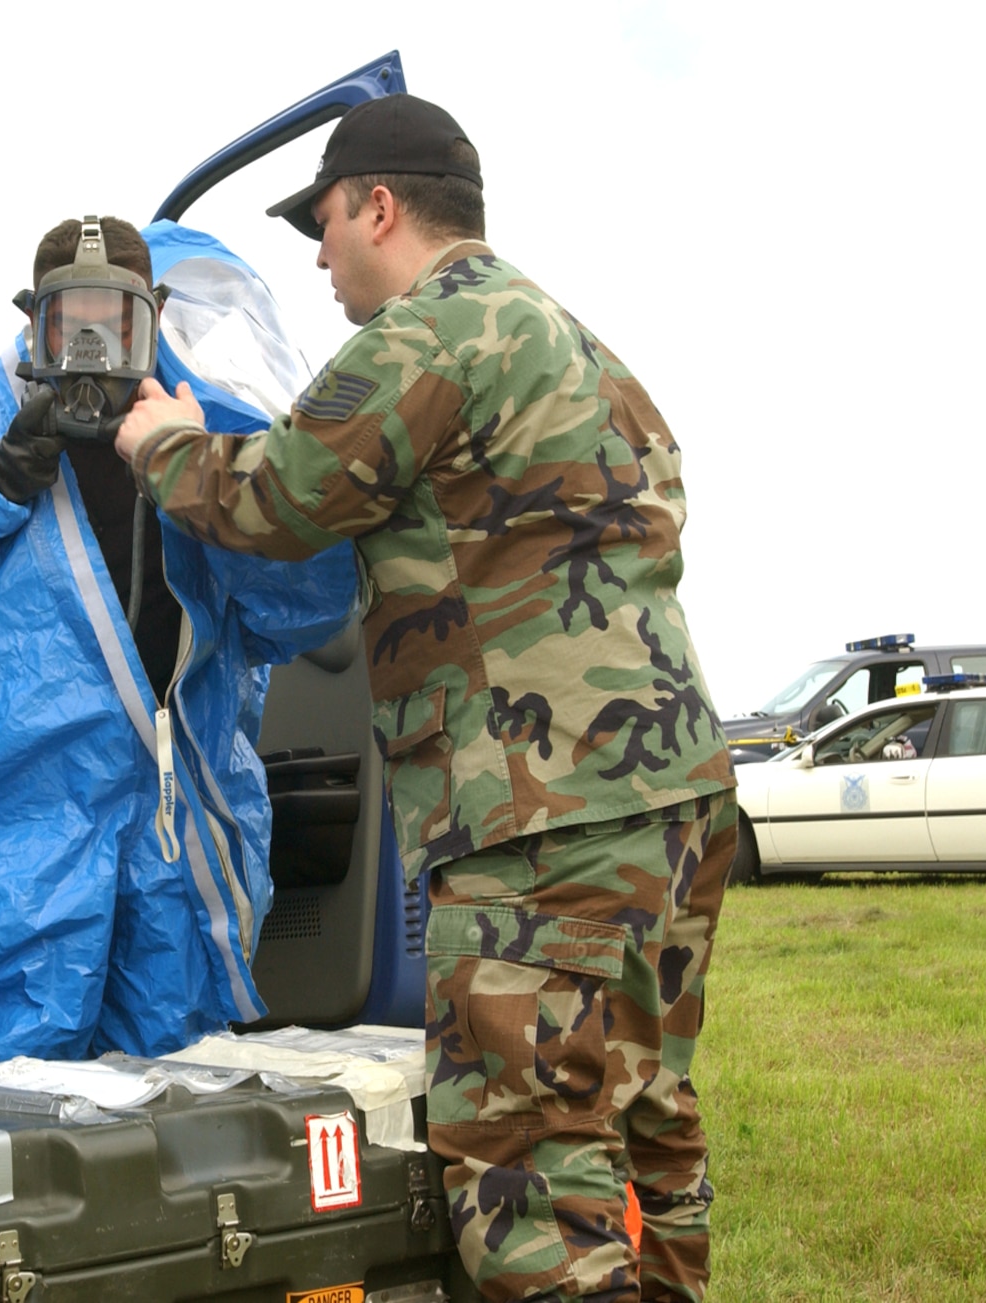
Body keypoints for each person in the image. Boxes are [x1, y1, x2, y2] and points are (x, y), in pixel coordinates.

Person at [115, 97, 736, 1303]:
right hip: (672, 796)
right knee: (644, 1123)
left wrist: (162, 445)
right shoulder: (583, 349)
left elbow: (279, 498)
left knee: (522, 1170)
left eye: (324, 221)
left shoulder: (425, 336)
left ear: (379, 208)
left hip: (539, 811)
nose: (316, 252)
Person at [0, 216, 354, 1073]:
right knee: (6, 1076)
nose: (93, 345)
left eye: (117, 321)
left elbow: (306, 608)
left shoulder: (205, 443)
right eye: (71, 322)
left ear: (155, 319)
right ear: (33, 323)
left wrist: (199, 472)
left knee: (178, 1083)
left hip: (178, 827)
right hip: (21, 833)